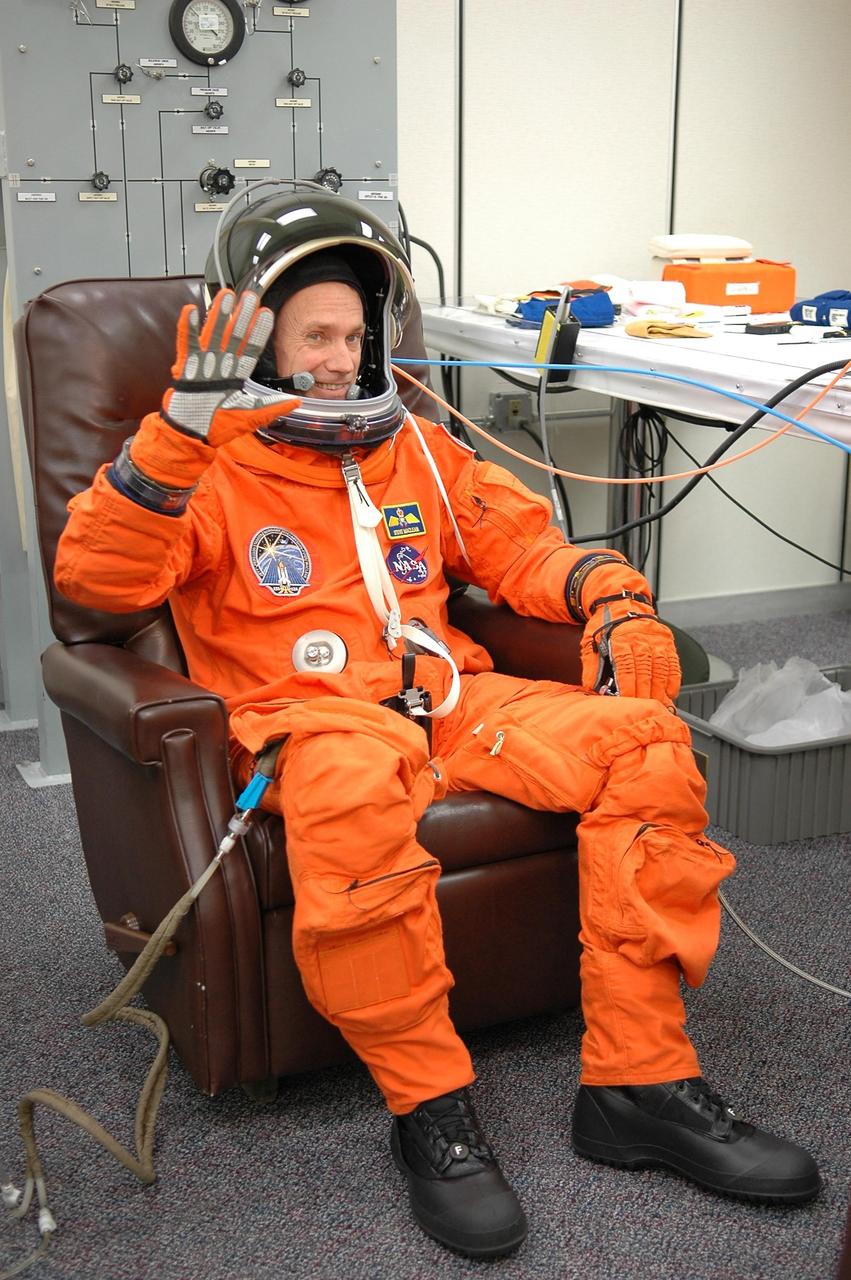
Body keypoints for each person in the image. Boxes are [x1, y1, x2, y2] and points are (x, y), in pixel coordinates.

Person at [54, 190, 820, 1261]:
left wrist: (606, 587)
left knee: (644, 744)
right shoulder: (205, 460)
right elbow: (95, 588)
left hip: (450, 703)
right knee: (351, 787)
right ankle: (431, 1110)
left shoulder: (410, 448)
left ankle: (638, 1083)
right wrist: (183, 424)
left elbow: (513, 547)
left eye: (353, 336)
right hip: (314, 720)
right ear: (258, 332)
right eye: (313, 334)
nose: (337, 359)